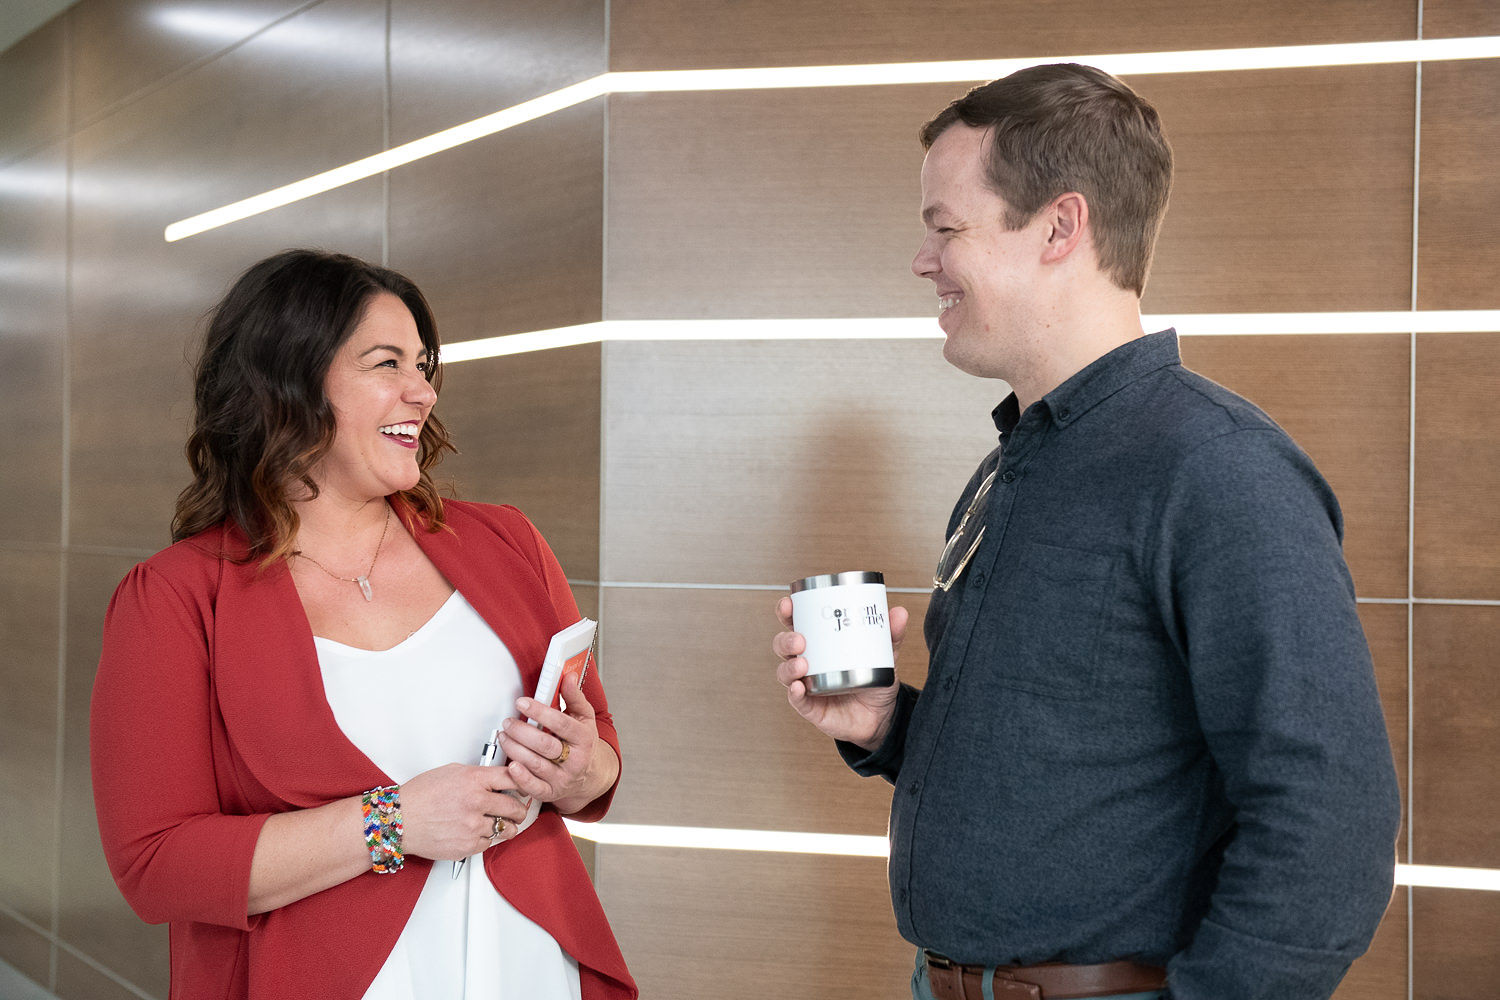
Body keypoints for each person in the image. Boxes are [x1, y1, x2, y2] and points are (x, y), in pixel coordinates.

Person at [773, 64, 1400, 1000]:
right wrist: (890, 725)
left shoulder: (1220, 470)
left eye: (947, 230)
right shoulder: (1010, 464)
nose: (922, 260)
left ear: (1061, 227)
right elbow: (1058, 756)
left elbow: (1331, 818)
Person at [90, 249, 637, 1000]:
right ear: (286, 385)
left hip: (535, 968)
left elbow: (598, 748)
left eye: (424, 364)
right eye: (387, 364)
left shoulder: (506, 542)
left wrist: (582, 770)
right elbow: (157, 865)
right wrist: (393, 822)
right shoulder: (176, 599)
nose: (423, 391)